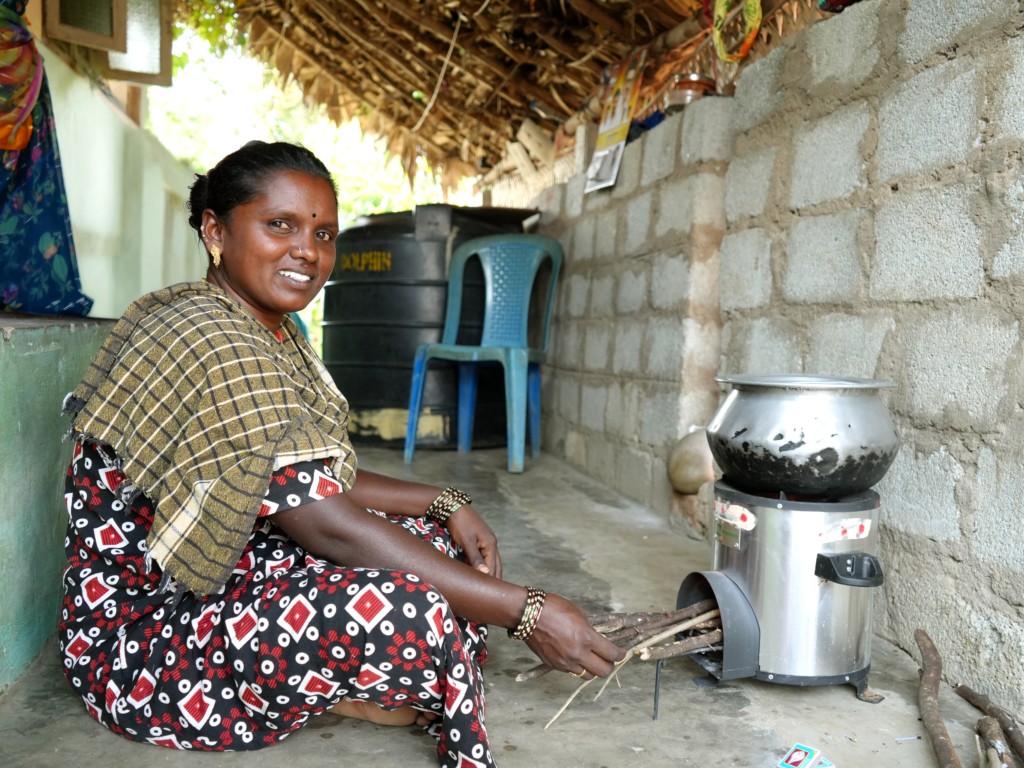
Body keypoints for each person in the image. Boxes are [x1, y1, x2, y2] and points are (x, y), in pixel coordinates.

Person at [58, 141, 624, 766]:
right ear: (215, 229)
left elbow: (319, 477)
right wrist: (527, 612)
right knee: (412, 607)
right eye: (281, 225)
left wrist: (447, 501)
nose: (308, 251)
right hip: (148, 636)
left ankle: (333, 683)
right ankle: (333, 691)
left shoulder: (270, 330)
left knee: (431, 546)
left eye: (324, 233)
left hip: (224, 573)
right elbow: (327, 522)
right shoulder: (205, 335)